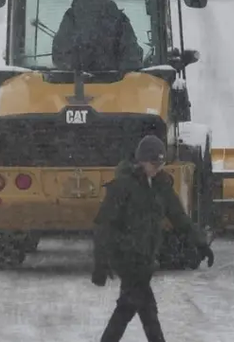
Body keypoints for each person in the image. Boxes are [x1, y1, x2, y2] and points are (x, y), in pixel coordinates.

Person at [91, 134, 214, 342]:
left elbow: (179, 217)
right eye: (154, 163)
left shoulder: (161, 185)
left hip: (146, 257)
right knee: (137, 307)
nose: (158, 167)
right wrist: (101, 262)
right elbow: (104, 225)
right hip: (126, 256)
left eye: (161, 162)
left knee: (137, 307)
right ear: (141, 161)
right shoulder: (123, 186)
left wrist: (200, 243)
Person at [51, 0, 143, 72]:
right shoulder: (119, 19)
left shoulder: (71, 17)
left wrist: (76, 70)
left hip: (73, 83)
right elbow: (131, 59)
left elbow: (60, 55)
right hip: (115, 84)